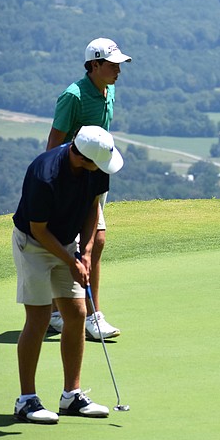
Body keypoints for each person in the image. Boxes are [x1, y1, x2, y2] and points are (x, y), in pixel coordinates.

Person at [11, 126, 124, 424]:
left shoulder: (96, 167)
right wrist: (70, 261)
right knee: (38, 319)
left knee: (76, 314)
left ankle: (71, 395)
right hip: (33, 244)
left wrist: (85, 253)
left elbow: (91, 208)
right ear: (81, 157)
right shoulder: (44, 174)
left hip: (67, 242)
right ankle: (26, 400)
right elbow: (38, 229)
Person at [45, 38, 131, 339]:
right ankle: (92, 316)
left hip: (96, 175)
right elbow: (54, 142)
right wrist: (53, 185)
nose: (118, 69)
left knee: (87, 241)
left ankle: (57, 313)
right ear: (94, 65)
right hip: (71, 180)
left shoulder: (110, 90)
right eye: (112, 64)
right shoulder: (73, 96)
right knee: (94, 240)